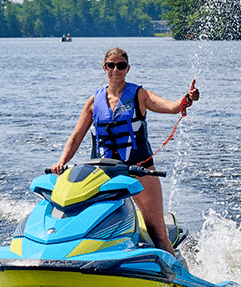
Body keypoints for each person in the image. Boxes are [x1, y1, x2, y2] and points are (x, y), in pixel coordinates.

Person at [51, 47, 199, 256]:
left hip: (140, 171)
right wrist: (61, 161)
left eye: (121, 66)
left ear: (127, 69)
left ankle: (174, 275)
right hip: (103, 174)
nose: (116, 70)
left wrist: (187, 99)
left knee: (157, 232)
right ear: (105, 68)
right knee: (90, 222)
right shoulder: (94, 102)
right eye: (111, 65)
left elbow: (172, 107)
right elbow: (76, 137)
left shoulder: (140, 95)